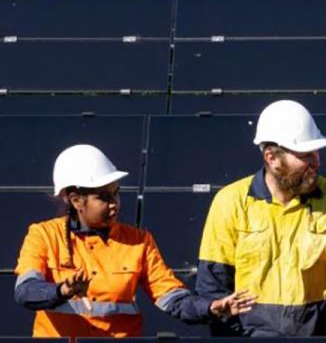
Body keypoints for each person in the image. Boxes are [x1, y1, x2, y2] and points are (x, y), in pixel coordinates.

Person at [15, 144, 256, 338]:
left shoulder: (139, 241)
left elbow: (171, 297)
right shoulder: (43, 235)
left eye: (116, 194)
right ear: (76, 200)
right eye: (104, 197)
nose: (115, 204)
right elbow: (26, 291)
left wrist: (210, 308)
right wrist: (62, 290)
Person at [195, 99, 326, 336]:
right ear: (271, 157)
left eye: (316, 152)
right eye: (305, 154)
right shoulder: (230, 202)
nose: (316, 161)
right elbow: (213, 288)